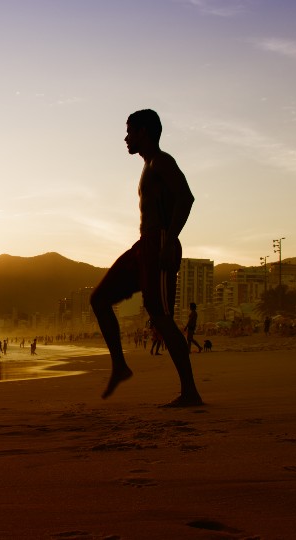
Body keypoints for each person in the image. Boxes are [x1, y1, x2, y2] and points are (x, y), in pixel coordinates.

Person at [89, 109, 203, 407]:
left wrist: (170, 239)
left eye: (130, 131)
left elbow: (186, 197)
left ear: (144, 132)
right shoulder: (148, 165)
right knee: (99, 299)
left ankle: (190, 391)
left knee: (161, 317)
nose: (126, 138)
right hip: (144, 245)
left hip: (160, 242)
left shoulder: (162, 161)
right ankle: (120, 366)